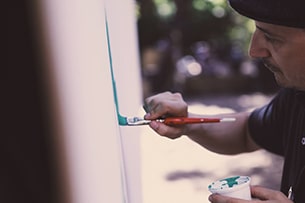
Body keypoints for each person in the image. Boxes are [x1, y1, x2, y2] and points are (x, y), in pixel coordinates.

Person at [143, 0, 305, 202]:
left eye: (272, 38)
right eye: (257, 30)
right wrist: (188, 123)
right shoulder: (297, 94)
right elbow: (247, 131)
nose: (254, 51)